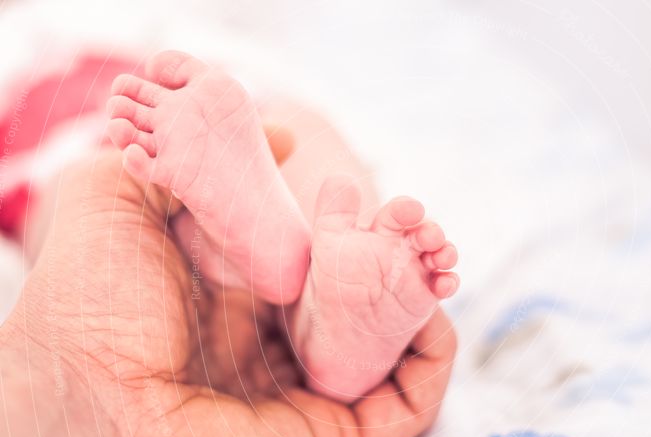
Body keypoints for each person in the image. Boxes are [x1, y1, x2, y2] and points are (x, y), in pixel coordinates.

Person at [0, 74, 457, 437]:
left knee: (65, 197)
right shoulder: (88, 51)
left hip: (143, 187)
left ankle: (303, 279)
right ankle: (322, 299)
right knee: (297, 131)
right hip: (181, 162)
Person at [106, 51, 460, 402]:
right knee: (300, 132)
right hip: (212, 164)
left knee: (284, 148)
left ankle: (317, 291)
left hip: (174, 252)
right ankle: (337, 294)